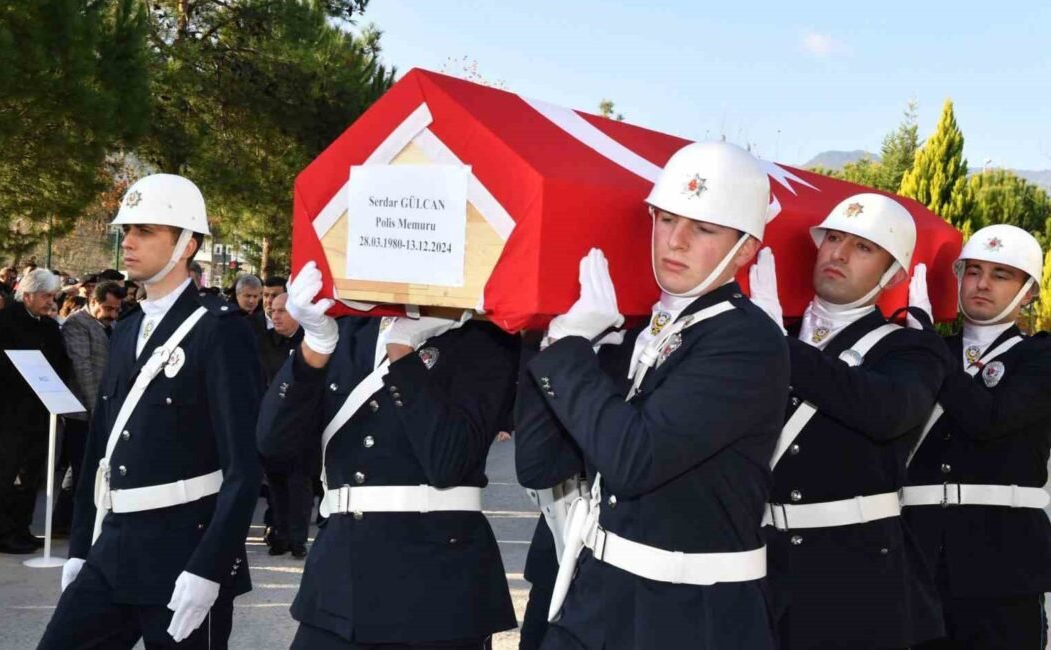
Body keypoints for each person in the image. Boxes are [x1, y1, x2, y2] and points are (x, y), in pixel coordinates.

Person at [516, 141, 789, 649]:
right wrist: (548, 337)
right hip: (595, 599)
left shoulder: (746, 341)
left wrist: (569, 351)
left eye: (702, 228)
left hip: (688, 617)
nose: (675, 242)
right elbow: (537, 465)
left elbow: (634, 459)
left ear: (745, 248)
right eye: (665, 220)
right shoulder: (636, 330)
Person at [38, 174, 262, 649]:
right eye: (127, 230)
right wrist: (80, 548)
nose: (130, 242)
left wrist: (210, 567)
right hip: (113, 544)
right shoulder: (127, 328)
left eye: (145, 231)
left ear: (186, 244)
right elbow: (100, 445)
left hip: (185, 550)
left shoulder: (219, 331)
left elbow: (243, 467)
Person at [256, 261, 519, 648]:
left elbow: (449, 461)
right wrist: (314, 346)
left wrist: (403, 357)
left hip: (436, 593)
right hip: (338, 585)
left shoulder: (481, 336)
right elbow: (273, 447)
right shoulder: (345, 329)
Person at [749, 193, 948, 648]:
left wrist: (777, 343)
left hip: (853, 582)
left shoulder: (910, 349)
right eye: (833, 238)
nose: (838, 254)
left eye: (862, 247)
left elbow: (886, 410)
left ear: (891, 274)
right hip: (758, 568)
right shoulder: (771, 326)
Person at [903, 224, 1051, 649]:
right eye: (973, 271)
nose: (982, 284)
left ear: (1029, 293)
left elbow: (990, 419)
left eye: (1001, 275)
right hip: (918, 556)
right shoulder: (923, 348)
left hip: (1004, 563)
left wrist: (927, 346)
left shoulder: (1039, 357)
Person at [0, 268, 71, 554]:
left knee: (31, 477)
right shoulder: (2, 321)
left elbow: (61, 364)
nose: (50, 301)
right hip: (7, 415)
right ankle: (2, 535)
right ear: (28, 294)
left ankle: (22, 529)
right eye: (46, 295)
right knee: (4, 477)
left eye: (53, 296)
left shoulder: (48, 326)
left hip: (39, 414)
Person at [55, 281, 124, 533]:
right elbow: (82, 368)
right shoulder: (76, 324)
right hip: (83, 411)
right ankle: (69, 522)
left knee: (88, 467)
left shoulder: (110, 325)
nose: (112, 314)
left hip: (104, 409)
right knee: (81, 467)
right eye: (107, 308)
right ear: (92, 301)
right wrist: (97, 408)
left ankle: (68, 520)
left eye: (116, 309)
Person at [256, 292, 310, 557]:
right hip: (270, 425)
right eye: (272, 311)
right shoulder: (263, 342)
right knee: (275, 486)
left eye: (282, 311)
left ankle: (298, 539)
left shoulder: (313, 342)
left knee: (299, 485)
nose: (275, 316)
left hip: (302, 426)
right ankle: (279, 534)